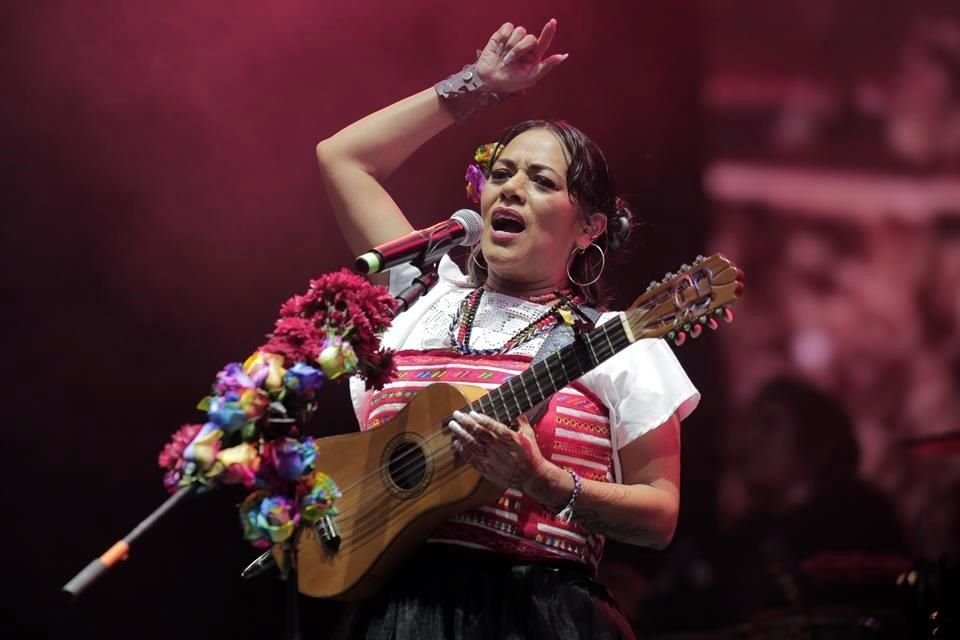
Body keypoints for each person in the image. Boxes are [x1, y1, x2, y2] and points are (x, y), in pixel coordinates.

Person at [315, 19, 699, 639]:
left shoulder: (623, 344)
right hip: (393, 619)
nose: (511, 189)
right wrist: (479, 86)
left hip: (540, 618)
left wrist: (540, 480)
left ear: (589, 227)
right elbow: (342, 157)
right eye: (501, 172)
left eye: (542, 181)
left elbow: (659, 516)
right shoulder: (421, 301)